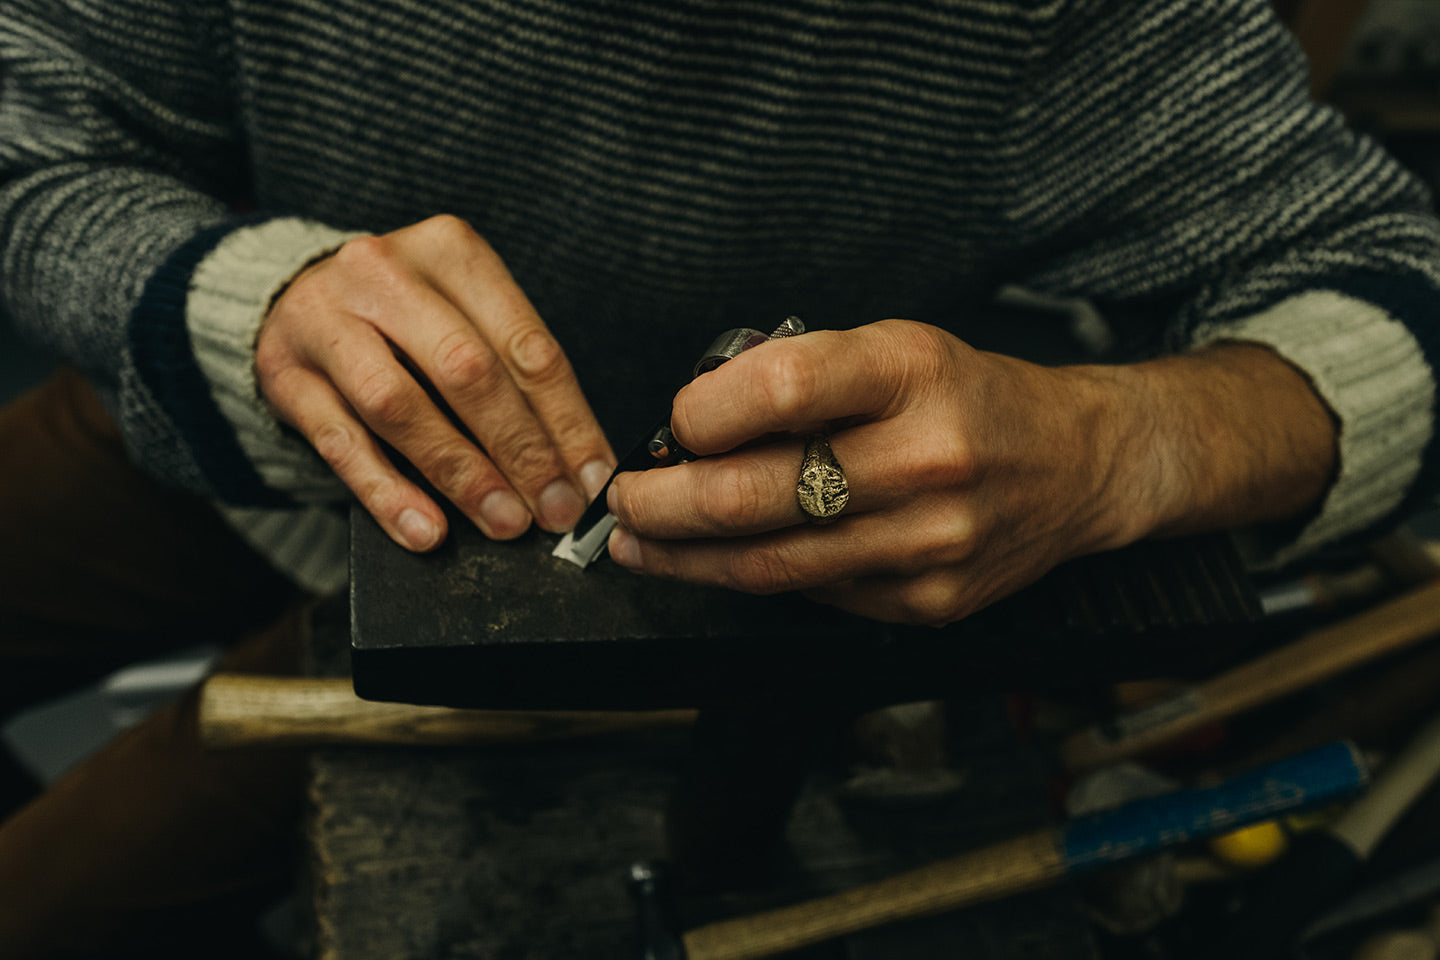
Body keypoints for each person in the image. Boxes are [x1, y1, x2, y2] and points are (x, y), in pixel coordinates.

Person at [1, 0, 1438, 952]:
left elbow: (1396, 282)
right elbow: (31, 114)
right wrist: (229, 304)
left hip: (603, 617)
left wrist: (1133, 441)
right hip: (187, 425)